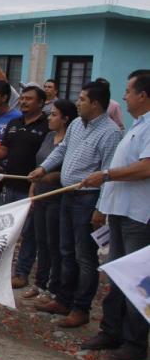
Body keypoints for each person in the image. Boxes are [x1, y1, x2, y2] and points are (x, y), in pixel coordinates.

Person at [28, 81, 123, 328]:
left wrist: (100, 208)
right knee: (65, 250)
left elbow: (108, 173)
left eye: (82, 99)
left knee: (84, 257)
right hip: (66, 195)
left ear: (95, 103)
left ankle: (81, 308)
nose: (78, 102)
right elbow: (61, 151)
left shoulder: (111, 133)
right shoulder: (76, 127)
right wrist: (43, 167)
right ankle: (63, 299)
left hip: (87, 199)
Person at [79, 70, 150, 360]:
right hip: (121, 212)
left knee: (136, 281)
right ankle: (111, 330)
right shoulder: (137, 126)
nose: (124, 96)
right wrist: (104, 206)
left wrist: (106, 174)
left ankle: (134, 343)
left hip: (139, 216)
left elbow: (146, 168)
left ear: (143, 95)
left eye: (129, 90)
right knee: (116, 276)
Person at [0, 85, 50, 289]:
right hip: (9, 184)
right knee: (6, 230)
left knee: (28, 234)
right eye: (23, 98)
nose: (24, 101)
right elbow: (4, 150)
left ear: (41, 103)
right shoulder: (14, 122)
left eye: (30, 99)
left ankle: (21, 273)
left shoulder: (46, 126)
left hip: (30, 188)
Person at [24, 99, 77, 301]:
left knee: (54, 244)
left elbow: (62, 172)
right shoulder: (48, 137)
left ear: (65, 119)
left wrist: (46, 178)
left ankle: (53, 287)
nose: (50, 118)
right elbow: (40, 165)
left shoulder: (70, 142)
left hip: (57, 198)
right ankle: (39, 283)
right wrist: (33, 188)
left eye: (54, 114)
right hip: (40, 195)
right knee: (41, 242)